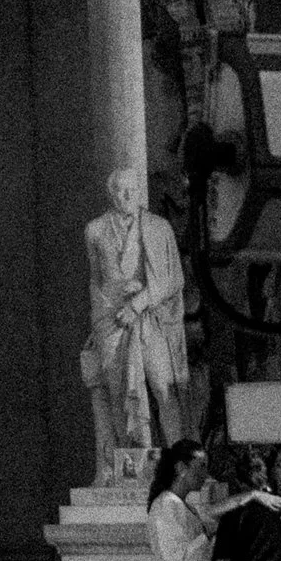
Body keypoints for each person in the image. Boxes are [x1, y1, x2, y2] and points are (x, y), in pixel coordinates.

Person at [81, 163, 190, 487]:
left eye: (131, 189)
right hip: (112, 320)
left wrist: (139, 302)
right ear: (110, 193)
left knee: (162, 386)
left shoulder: (159, 228)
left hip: (151, 317)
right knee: (118, 393)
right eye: (119, 190)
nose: (126, 195)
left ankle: (180, 466)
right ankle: (131, 471)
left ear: (139, 192)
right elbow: (95, 280)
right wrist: (101, 322)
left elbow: (173, 279)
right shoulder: (95, 230)